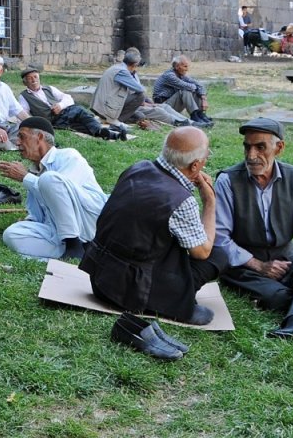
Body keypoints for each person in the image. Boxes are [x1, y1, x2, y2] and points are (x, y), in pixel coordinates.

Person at [80, 127, 227, 325]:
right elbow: (202, 252)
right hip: (132, 294)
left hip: (100, 279)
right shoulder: (180, 200)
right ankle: (172, 303)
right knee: (219, 254)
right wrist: (210, 202)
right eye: (206, 156)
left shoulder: (137, 168)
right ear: (195, 165)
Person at [212, 118, 293, 347]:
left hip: (286, 256)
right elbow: (219, 238)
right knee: (278, 296)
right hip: (243, 263)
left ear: (279, 148)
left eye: (260, 147)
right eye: (247, 146)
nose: (251, 155)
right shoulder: (227, 181)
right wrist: (259, 266)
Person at [0, 117, 108, 260]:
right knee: (11, 234)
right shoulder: (36, 171)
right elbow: (41, 212)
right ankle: (78, 251)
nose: (17, 142)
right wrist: (29, 222)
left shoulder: (69, 156)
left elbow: (62, 194)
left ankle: (73, 244)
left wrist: (26, 177)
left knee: (48, 179)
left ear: (40, 137)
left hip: (89, 222)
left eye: (22, 137)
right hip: (59, 229)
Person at [91, 48, 189, 130]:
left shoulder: (120, 69)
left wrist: (149, 103)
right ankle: (113, 120)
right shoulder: (122, 71)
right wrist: (145, 102)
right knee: (153, 105)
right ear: (135, 64)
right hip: (107, 107)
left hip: (109, 105)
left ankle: (188, 121)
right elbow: (140, 90)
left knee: (142, 115)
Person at [17, 67, 125, 140]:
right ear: (24, 82)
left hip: (64, 113)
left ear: (39, 78)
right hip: (52, 121)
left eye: (35, 77)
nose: (33, 80)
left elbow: (67, 98)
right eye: (29, 78)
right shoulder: (24, 96)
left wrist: (60, 105)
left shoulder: (49, 88)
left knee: (81, 124)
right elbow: (24, 114)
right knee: (80, 111)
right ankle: (106, 130)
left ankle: (109, 134)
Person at [151, 56, 214, 127]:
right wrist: (195, 87)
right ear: (177, 66)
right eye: (185, 66)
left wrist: (203, 98)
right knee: (185, 91)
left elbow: (200, 85)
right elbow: (187, 86)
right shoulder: (169, 75)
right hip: (163, 105)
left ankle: (200, 114)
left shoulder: (180, 74)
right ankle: (194, 115)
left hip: (172, 104)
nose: (187, 69)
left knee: (196, 91)